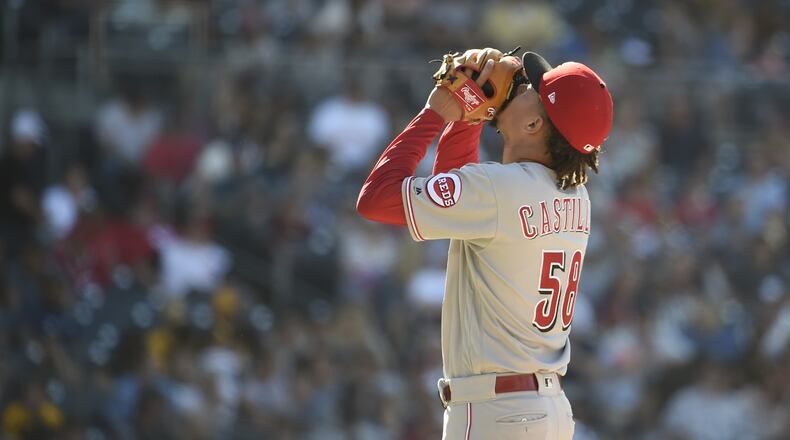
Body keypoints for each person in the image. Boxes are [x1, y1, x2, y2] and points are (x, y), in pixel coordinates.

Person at [357, 49, 613, 439]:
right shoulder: (576, 195)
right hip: (546, 410)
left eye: (531, 89)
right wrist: (470, 115)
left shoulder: (501, 191)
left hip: (497, 413)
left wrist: (437, 112)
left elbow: (376, 199)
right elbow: (458, 203)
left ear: (533, 123)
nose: (521, 85)